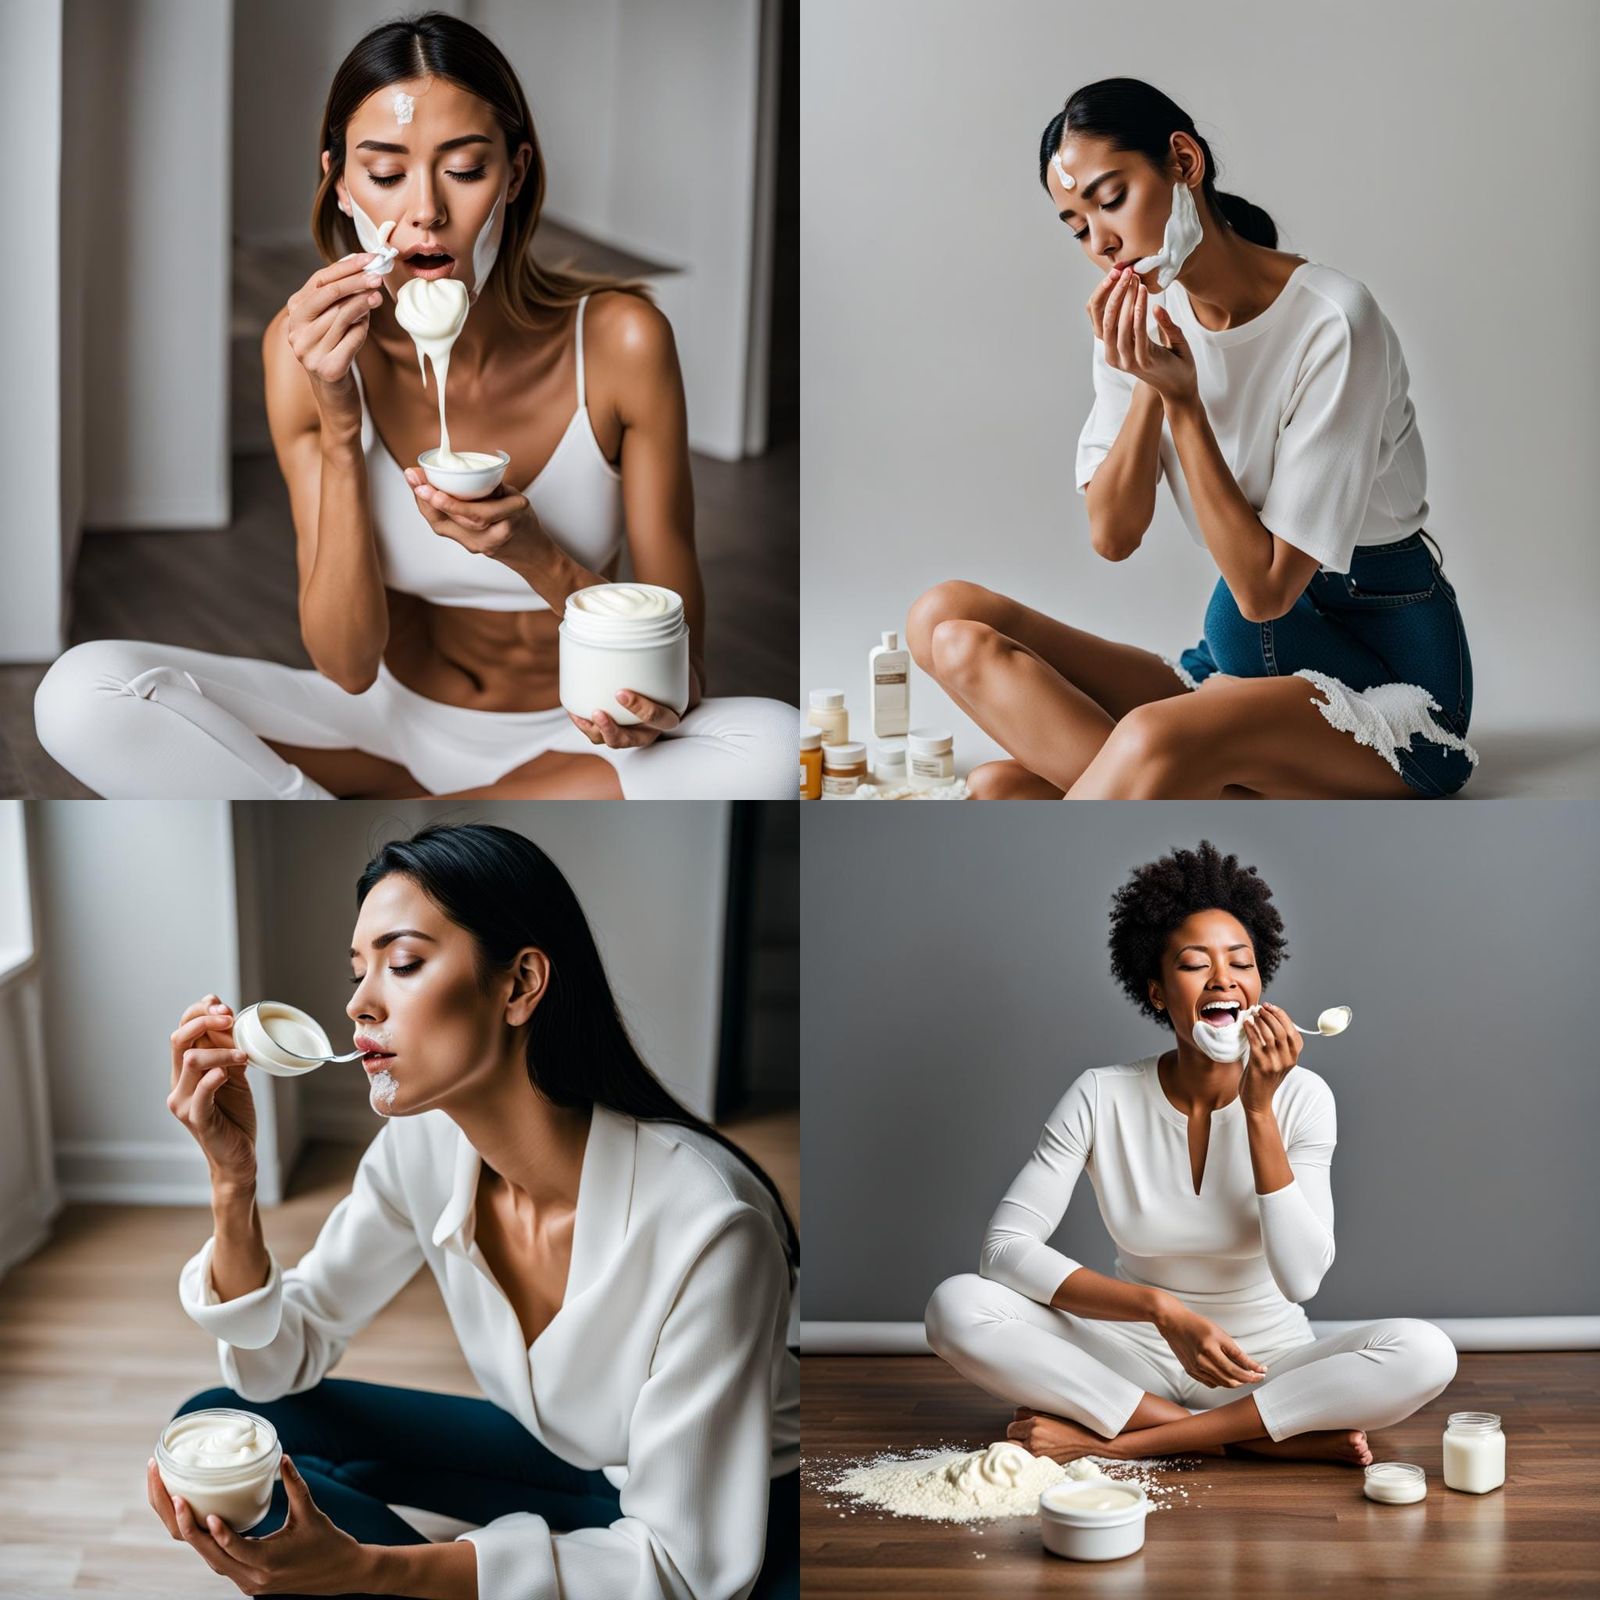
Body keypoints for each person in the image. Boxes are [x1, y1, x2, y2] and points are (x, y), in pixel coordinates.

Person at [36, 12, 793, 800]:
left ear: (516, 172)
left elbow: (686, 670)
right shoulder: (305, 349)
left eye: (464, 169)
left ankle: (407, 818)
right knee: (82, 694)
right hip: (382, 724)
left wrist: (532, 552)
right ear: (338, 181)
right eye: (386, 174)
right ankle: (454, 815)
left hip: (580, 743)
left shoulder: (619, 343)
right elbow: (346, 664)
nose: (425, 210)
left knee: (773, 746)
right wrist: (338, 423)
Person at [148, 824, 799, 1597]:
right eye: (358, 972)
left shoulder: (710, 1227)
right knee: (228, 1427)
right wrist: (233, 1182)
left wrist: (365, 1570)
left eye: (403, 963)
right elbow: (275, 1363)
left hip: (742, 1522)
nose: (358, 1003)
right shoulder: (419, 1153)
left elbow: (684, 1567)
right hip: (584, 1465)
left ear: (520, 984)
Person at [908, 78, 1477, 799]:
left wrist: (1184, 398)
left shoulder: (1334, 321)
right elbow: (1114, 534)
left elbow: (1266, 589)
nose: (1103, 243)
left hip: (1383, 682)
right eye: (1078, 227)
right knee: (946, 620)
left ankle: (1160, 782)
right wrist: (1150, 376)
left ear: (1183, 161)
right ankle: (1187, 782)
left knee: (1060, 770)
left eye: (1111, 199)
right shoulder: (1138, 319)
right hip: (1236, 662)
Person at [925, 840, 1456, 1465]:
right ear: (1155, 991)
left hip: (1267, 1369)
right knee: (955, 1306)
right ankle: (1248, 1438)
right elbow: (1004, 1251)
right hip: (1131, 1360)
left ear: (1259, 984)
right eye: (1194, 964)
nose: (1223, 978)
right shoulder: (1102, 1094)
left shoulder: (1303, 1097)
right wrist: (1163, 1312)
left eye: (1241, 962)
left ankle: (1126, 1443)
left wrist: (1259, 1110)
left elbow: (1303, 1278)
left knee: (1426, 1351)